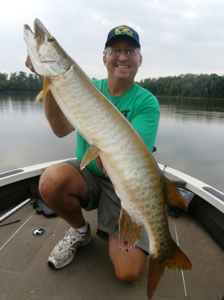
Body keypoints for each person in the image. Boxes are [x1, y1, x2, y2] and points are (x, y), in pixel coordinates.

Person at [26, 25, 160, 282]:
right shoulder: (85, 86)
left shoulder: (146, 103)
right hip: (87, 174)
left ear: (140, 59)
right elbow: (59, 129)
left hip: (124, 184)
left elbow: (129, 161)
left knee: (128, 273)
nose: (122, 56)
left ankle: (141, 231)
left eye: (130, 51)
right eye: (115, 51)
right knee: (50, 180)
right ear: (104, 58)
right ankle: (80, 231)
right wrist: (50, 82)